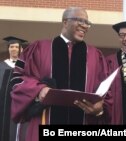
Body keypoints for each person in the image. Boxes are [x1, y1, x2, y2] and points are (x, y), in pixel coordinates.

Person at [10, 7, 112, 141]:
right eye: (80, 20)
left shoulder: (95, 55)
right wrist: (38, 90)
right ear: (65, 22)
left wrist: (99, 109)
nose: (85, 26)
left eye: (87, 23)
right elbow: (17, 79)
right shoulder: (39, 48)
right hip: (45, 123)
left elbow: (106, 91)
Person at [0, 36, 27, 141]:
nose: (14, 49)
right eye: (11, 47)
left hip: (19, 103)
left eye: (16, 47)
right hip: (3, 105)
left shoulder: (26, 66)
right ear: (8, 49)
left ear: (21, 49)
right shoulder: (2, 66)